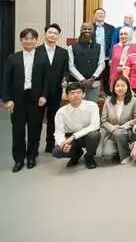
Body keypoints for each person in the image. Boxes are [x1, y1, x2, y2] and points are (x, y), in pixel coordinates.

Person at [3, 28, 49, 172]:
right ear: (21, 40)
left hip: (36, 99)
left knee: (35, 130)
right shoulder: (12, 58)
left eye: (31, 38)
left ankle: (31, 156)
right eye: (25, 38)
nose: (28, 41)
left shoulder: (43, 57)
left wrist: (44, 95)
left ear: (36, 40)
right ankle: (18, 159)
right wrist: (7, 99)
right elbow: (6, 80)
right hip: (18, 99)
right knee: (18, 130)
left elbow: (47, 79)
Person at [52, 82, 101, 169]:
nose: (75, 95)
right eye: (72, 93)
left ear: (84, 94)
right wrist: (62, 143)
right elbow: (59, 132)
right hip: (71, 137)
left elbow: (95, 125)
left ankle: (89, 156)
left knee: (94, 135)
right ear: (67, 96)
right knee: (57, 151)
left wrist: (74, 136)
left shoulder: (92, 106)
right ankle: (76, 154)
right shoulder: (61, 112)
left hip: (86, 136)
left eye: (78, 92)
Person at [37, 23, 69, 152]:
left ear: (58, 36)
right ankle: (34, 147)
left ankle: (50, 145)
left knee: (53, 119)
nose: (52, 35)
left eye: (56, 33)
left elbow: (66, 71)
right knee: (37, 120)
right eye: (50, 32)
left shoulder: (63, 52)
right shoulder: (36, 51)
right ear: (45, 34)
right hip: (38, 92)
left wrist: (65, 79)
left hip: (56, 90)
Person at [99, 76, 136, 164]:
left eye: (123, 86)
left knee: (119, 133)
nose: (120, 88)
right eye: (117, 86)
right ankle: (121, 148)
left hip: (127, 131)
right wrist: (112, 128)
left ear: (128, 87)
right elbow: (103, 121)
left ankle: (125, 156)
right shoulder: (108, 101)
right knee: (107, 155)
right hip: (112, 133)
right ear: (114, 88)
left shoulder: (134, 100)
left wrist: (124, 126)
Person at [68, 22, 105, 102]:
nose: (87, 31)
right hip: (76, 84)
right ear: (81, 30)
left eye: (89, 29)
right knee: (76, 106)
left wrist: (92, 78)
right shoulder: (71, 47)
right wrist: (82, 80)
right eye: (85, 29)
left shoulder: (99, 47)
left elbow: (101, 64)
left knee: (92, 106)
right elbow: (70, 66)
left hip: (94, 84)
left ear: (93, 31)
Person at [92, 8, 115, 95]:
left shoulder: (111, 28)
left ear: (105, 15)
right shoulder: (90, 27)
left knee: (106, 77)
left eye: (102, 13)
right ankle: (95, 94)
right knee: (95, 76)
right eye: (98, 13)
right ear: (94, 15)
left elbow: (113, 43)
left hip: (106, 56)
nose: (100, 15)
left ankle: (107, 94)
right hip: (93, 56)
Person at [109, 26, 136, 93]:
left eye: (125, 34)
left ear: (130, 35)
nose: (123, 36)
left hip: (129, 77)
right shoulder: (115, 47)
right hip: (116, 77)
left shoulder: (135, 47)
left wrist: (124, 69)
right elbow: (113, 65)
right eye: (121, 34)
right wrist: (111, 79)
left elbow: (135, 64)